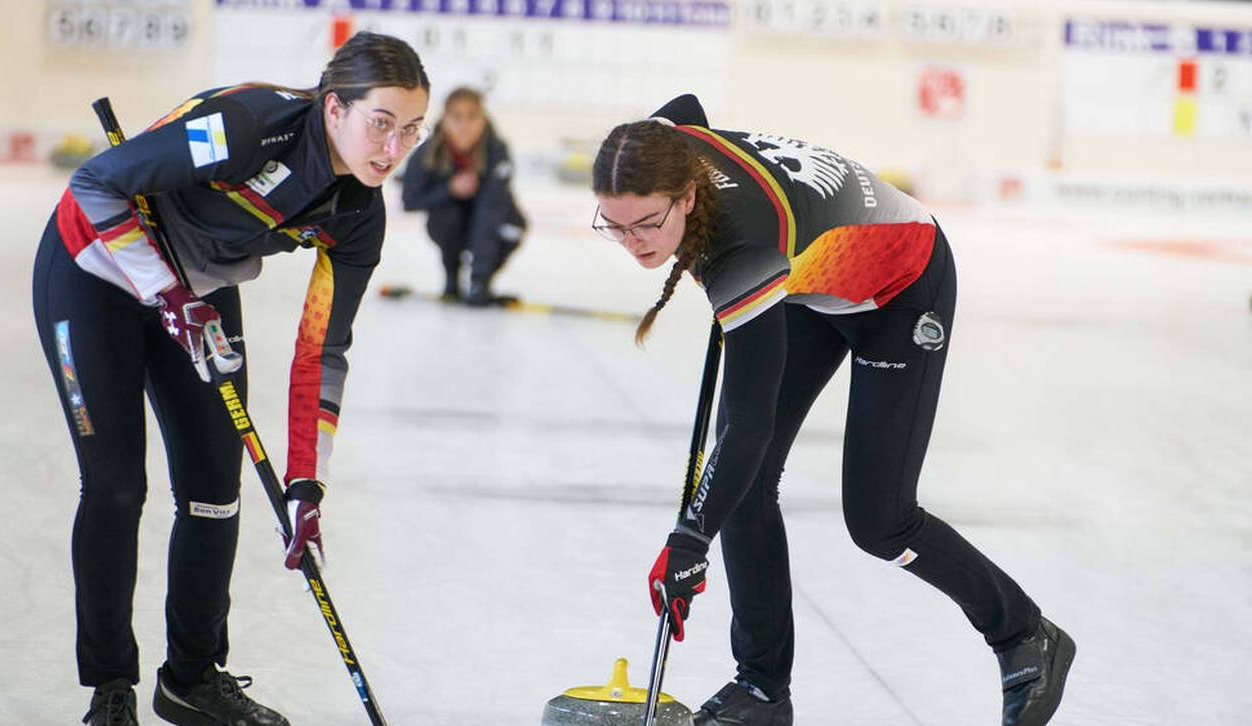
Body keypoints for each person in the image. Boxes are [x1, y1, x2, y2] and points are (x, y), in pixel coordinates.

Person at [591, 95, 1075, 726]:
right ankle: (763, 690)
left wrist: (689, 541)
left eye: (647, 224)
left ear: (687, 195)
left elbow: (748, 421)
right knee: (742, 487)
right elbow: (685, 108)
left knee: (880, 521)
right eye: (614, 225)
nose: (633, 244)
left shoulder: (743, 249)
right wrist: (699, 529)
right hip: (814, 277)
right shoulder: (662, 142)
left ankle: (1023, 634)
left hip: (902, 285)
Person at [31, 32, 429, 726]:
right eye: (382, 123)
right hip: (94, 265)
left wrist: (309, 485)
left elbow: (322, 353)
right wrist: (167, 295)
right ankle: (110, 689)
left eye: (412, 132)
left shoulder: (359, 215)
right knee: (119, 486)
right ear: (335, 109)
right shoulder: (248, 129)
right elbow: (95, 184)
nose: (394, 149)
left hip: (198, 288)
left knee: (217, 490)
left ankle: (191, 677)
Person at [401, 86, 526, 305]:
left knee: (512, 227)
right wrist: (449, 190)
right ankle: (452, 278)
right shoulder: (428, 153)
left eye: (472, 117)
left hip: (491, 223)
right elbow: (409, 202)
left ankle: (481, 282)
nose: (464, 125)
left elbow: (490, 212)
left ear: (483, 120)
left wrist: (480, 280)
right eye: (456, 117)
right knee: (445, 217)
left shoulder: (497, 151)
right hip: (453, 225)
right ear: (445, 119)